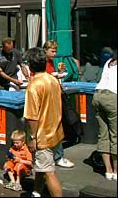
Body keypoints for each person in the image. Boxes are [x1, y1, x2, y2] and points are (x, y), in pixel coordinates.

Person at [24, 47, 64, 198]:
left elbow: (31, 116)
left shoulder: (34, 85)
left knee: (48, 172)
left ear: (30, 65)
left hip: (43, 136)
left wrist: (32, 137)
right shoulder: (53, 80)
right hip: (56, 131)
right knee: (42, 167)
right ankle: (36, 192)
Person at [42, 40, 75, 168]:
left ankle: (56, 155)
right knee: (56, 125)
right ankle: (58, 156)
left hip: (53, 95)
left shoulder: (50, 62)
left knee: (56, 124)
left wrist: (59, 72)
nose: (55, 53)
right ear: (45, 50)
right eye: (53, 51)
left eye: (55, 51)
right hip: (49, 97)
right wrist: (56, 75)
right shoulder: (43, 62)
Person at [91, 50, 117, 180]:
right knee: (115, 134)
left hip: (98, 95)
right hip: (112, 96)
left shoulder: (109, 62)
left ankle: (108, 170)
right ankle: (116, 172)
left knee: (104, 134)